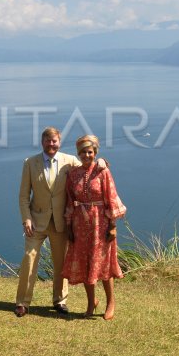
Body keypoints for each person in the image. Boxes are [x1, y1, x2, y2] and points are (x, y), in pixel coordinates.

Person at [15, 127, 104, 318]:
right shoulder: (30, 163)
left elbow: (89, 165)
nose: (51, 144)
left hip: (61, 222)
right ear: (42, 142)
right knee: (29, 259)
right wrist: (26, 219)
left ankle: (60, 301)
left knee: (61, 263)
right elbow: (23, 196)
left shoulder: (70, 161)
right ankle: (23, 302)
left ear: (59, 142)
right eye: (48, 140)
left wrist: (102, 161)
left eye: (54, 141)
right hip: (36, 222)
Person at [62, 134, 126, 320]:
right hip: (80, 224)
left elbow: (111, 197)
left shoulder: (103, 172)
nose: (86, 155)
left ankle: (110, 302)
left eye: (89, 152)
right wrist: (69, 227)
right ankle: (91, 303)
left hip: (101, 223)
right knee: (85, 263)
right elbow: (69, 200)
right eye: (82, 152)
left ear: (95, 152)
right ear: (78, 154)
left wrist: (112, 226)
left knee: (104, 264)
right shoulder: (73, 174)